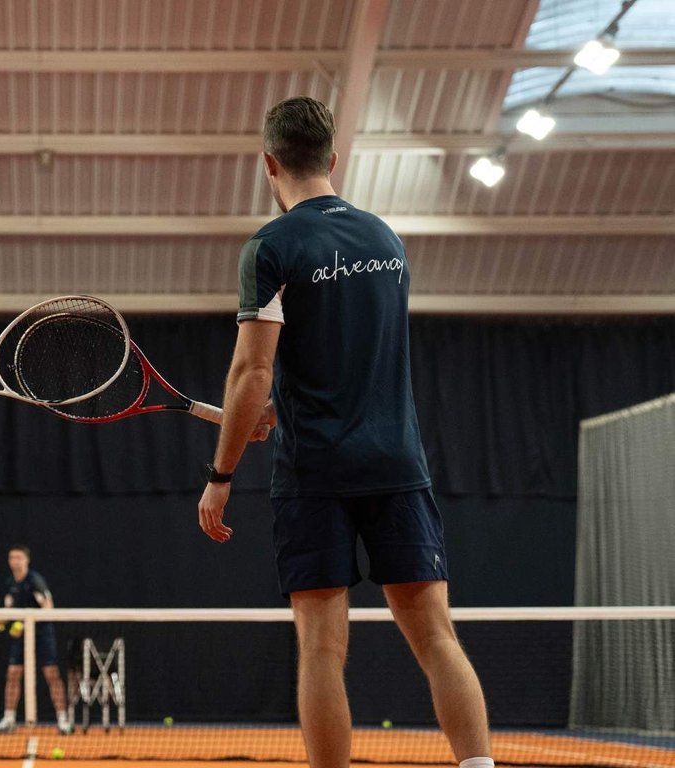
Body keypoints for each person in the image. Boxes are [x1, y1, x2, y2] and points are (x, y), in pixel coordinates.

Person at [195, 96, 493, 768]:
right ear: (334, 158)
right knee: (438, 639)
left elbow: (252, 372)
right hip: (397, 464)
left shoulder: (271, 248)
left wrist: (220, 477)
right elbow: (350, 356)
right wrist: (287, 405)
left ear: (268, 163)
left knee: (322, 650)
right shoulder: (386, 240)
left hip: (317, 475)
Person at [0, 545, 72, 735]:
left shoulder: (35, 581)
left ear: (27, 560)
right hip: (21, 638)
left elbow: (49, 608)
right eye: (12, 558)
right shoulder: (11, 583)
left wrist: (28, 624)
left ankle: (63, 720)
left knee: (52, 675)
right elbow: (8, 611)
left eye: (19, 558)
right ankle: (9, 719)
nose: (15, 561)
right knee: (13, 674)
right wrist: (0, 620)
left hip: (43, 635)